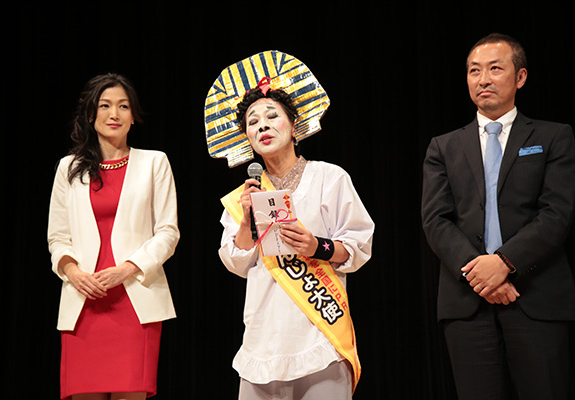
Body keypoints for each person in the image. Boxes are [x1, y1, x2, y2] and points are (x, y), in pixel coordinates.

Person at [210, 52, 374, 400]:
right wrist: (246, 223)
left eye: (272, 116)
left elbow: (358, 246)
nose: (263, 126)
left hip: (319, 336)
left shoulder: (329, 177)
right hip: (262, 341)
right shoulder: (244, 196)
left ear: (293, 124)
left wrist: (317, 246)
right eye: (253, 122)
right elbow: (236, 263)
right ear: (246, 136)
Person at [421, 33, 575, 400]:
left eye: (495, 69)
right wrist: (481, 274)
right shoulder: (443, 146)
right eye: (474, 71)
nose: (483, 79)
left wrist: (504, 262)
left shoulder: (553, 137)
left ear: (520, 77)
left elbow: (557, 213)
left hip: (536, 295)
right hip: (467, 302)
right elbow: (436, 220)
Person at [47, 73, 180, 400]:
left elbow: (167, 232)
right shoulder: (68, 167)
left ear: (133, 116)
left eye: (123, 106)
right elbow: (57, 238)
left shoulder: (155, 162)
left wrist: (127, 269)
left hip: (135, 301)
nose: (114, 114)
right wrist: (74, 273)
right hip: (84, 301)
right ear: (91, 114)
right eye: (105, 106)